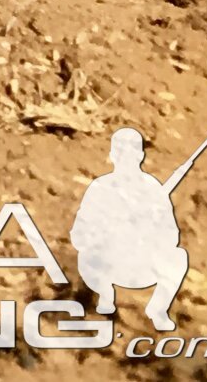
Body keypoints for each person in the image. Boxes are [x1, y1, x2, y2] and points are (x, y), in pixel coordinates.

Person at [71, 126, 191, 330]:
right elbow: (79, 234)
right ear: (112, 155)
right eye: (121, 151)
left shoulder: (153, 189)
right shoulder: (100, 187)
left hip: (140, 263)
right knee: (87, 257)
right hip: (106, 264)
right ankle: (102, 298)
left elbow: (171, 235)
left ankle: (158, 310)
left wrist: (148, 227)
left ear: (140, 155)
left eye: (132, 151)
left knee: (178, 257)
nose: (126, 157)